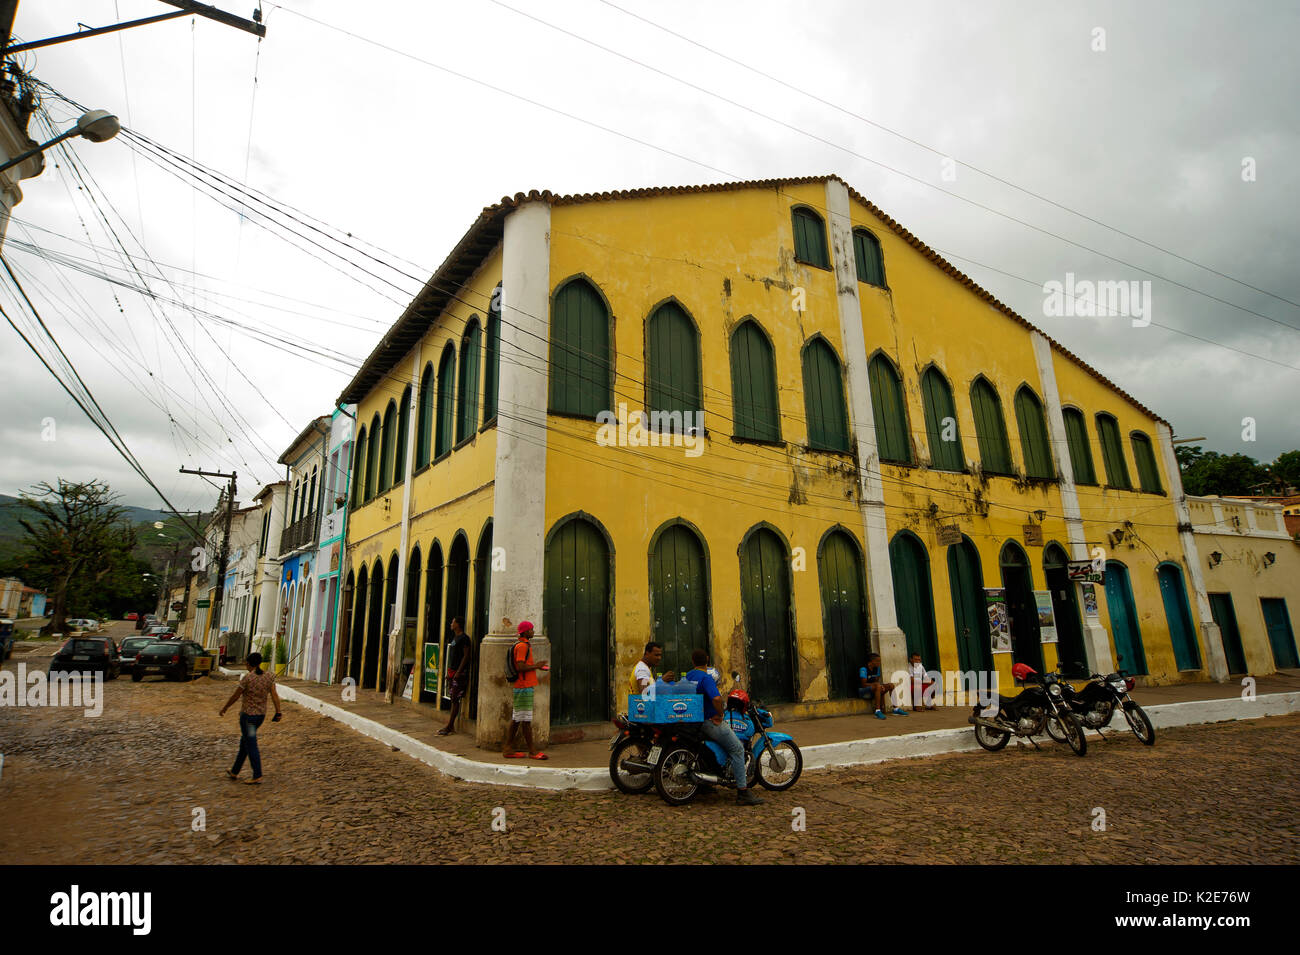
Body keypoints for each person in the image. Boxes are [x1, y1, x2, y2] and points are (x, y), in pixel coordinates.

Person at [685, 649, 763, 806]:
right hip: (709, 721)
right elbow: (716, 698)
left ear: (692, 661)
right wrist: (720, 714)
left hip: (694, 721)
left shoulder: (689, 676)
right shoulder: (706, 678)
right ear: (707, 660)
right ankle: (743, 792)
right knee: (737, 749)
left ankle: (704, 784)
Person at [219, 652, 282, 784]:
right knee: (245, 742)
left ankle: (257, 774)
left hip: (248, 718)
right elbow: (274, 695)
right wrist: (278, 711)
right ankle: (235, 771)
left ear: (249, 664)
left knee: (251, 743)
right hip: (260, 716)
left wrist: (225, 708)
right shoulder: (269, 677)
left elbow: (235, 696)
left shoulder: (247, 678)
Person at [502, 620, 549, 760]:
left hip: (523, 686)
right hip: (523, 686)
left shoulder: (523, 645)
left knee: (517, 719)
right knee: (525, 721)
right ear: (525, 632)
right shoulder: (522, 646)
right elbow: (520, 667)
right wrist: (537, 666)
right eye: (531, 629)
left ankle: (508, 748)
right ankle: (532, 751)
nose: (533, 632)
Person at [436, 617, 471, 736]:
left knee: (455, 699)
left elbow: (466, 656)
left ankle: (450, 725)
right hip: (452, 671)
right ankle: (450, 725)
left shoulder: (464, 638)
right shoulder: (456, 638)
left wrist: (458, 672)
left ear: (458, 624)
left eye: (453, 622)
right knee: (453, 698)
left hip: (458, 672)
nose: (451, 624)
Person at [859, 652, 908, 720]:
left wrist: (879, 685)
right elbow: (863, 684)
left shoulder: (877, 668)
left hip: (874, 688)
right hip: (863, 691)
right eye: (877, 661)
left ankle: (896, 709)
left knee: (891, 685)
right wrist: (877, 685)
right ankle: (877, 711)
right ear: (872, 661)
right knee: (878, 686)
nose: (879, 662)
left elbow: (876, 681)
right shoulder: (863, 669)